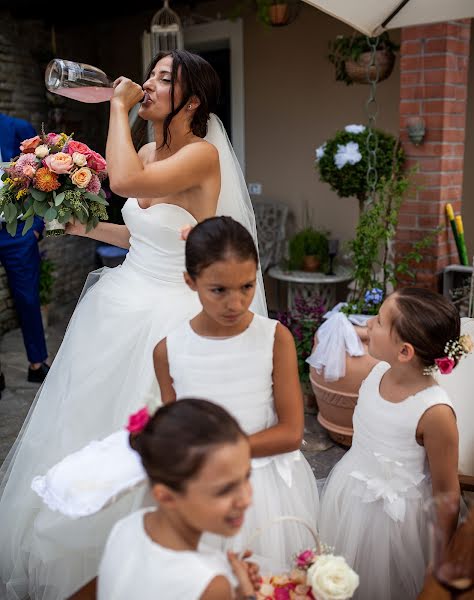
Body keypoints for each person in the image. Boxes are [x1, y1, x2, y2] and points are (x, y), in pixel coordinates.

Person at [0, 50, 266, 600]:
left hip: (166, 314)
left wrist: (116, 107)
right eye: (148, 75)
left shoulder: (200, 158)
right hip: (120, 302)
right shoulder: (149, 149)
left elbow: (122, 181)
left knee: (149, 435)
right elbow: (141, 232)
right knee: (89, 427)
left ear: (190, 101)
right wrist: (85, 228)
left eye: (160, 79)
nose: (144, 84)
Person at [154, 216, 319, 572]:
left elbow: (291, 433)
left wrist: (222, 454)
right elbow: (174, 430)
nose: (236, 303)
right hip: (200, 487)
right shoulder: (168, 351)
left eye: (246, 286)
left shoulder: (275, 339)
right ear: (190, 281)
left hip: (263, 487)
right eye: (219, 290)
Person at [318, 287, 463, 600]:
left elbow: (447, 491)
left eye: (380, 322)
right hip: (352, 493)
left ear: (405, 352)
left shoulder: (434, 412)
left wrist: (441, 558)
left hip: (397, 521)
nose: (370, 324)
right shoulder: (377, 372)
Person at [98, 398, 260, 600]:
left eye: (247, 477)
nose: (245, 500)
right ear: (165, 496)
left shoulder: (126, 527)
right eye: (224, 490)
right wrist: (247, 595)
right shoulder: (209, 584)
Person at [0, 112, 49, 386]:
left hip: (17, 231)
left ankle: (37, 362)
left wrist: (37, 225)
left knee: (28, 298)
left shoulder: (17, 128)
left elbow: (44, 173)